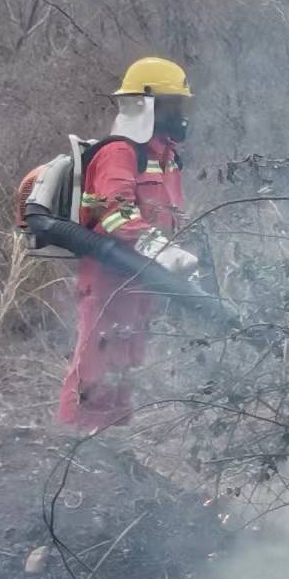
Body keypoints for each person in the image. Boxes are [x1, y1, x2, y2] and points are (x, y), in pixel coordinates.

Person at [59, 57, 197, 431]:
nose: (179, 113)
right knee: (96, 360)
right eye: (172, 104)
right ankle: (77, 441)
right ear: (146, 105)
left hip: (142, 277)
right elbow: (114, 210)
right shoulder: (119, 152)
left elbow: (171, 214)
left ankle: (111, 444)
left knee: (127, 360)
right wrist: (160, 250)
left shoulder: (168, 156)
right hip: (109, 275)